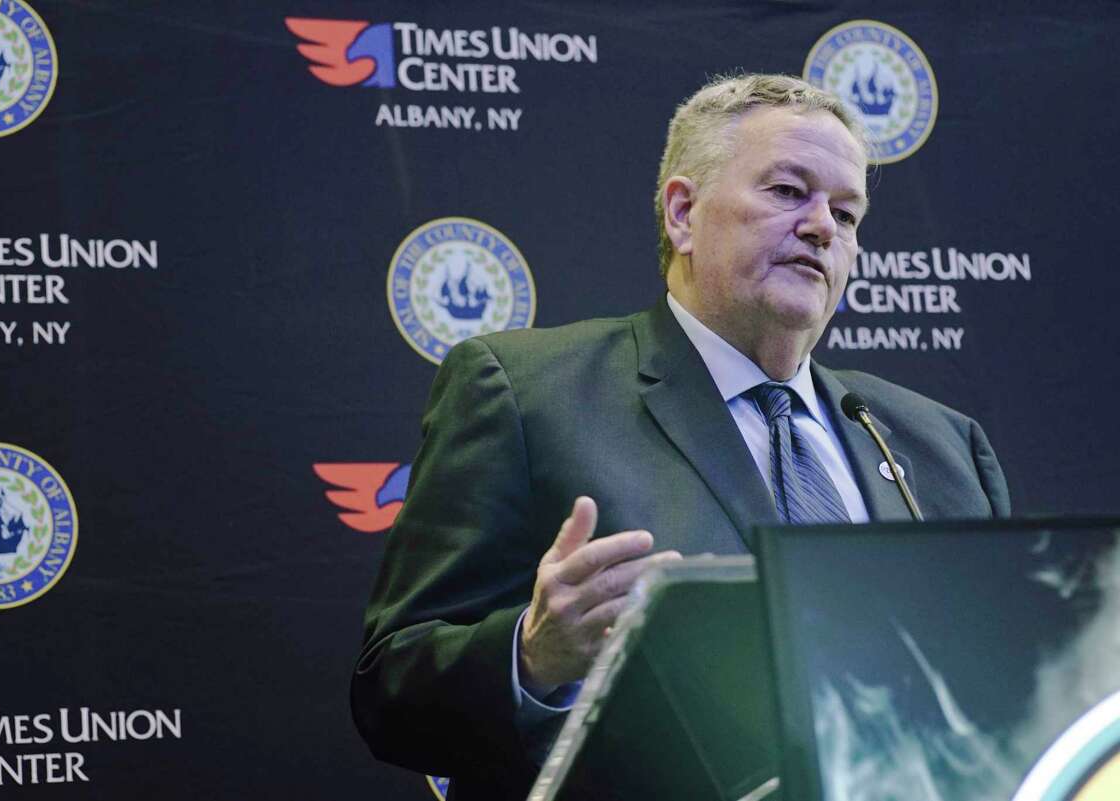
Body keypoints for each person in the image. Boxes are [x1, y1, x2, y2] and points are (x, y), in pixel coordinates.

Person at [351, 74, 1010, 801]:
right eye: (790, 192)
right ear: (683, 213)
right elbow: (392, 689)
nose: (825, 227)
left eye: (848, 214)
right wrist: (533, 654)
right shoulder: (523, 391)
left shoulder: (940, 445)